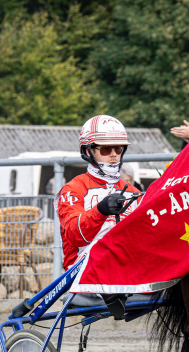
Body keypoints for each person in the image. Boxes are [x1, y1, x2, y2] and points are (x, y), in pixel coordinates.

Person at [58, 115, 140, 312]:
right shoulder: (73, 189)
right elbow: (75, 235)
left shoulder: (133, 191)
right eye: (105, 149)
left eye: (118, 149)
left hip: (125, 268)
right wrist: (101, 210)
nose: (113, 155)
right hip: (83, 272)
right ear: (88, 151)